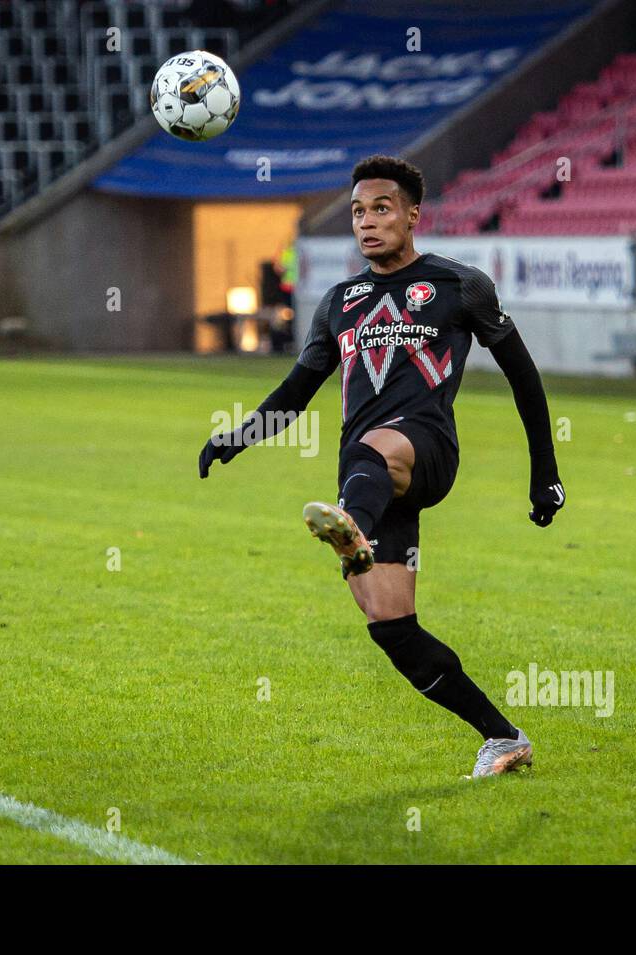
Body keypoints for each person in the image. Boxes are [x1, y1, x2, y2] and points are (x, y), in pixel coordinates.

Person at [198, 155, 565, 779]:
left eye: (381, 209)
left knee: (373, 453)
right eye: (358, 212)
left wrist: (544, 473)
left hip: (424, 450)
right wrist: (237, 438)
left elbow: (524, 379)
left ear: (413, 215)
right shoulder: (339, 302)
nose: (367, 223)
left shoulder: (460, 285)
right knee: (392, 628)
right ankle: (503, 738)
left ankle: (350, 528)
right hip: (364, 471)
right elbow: (295, 392)